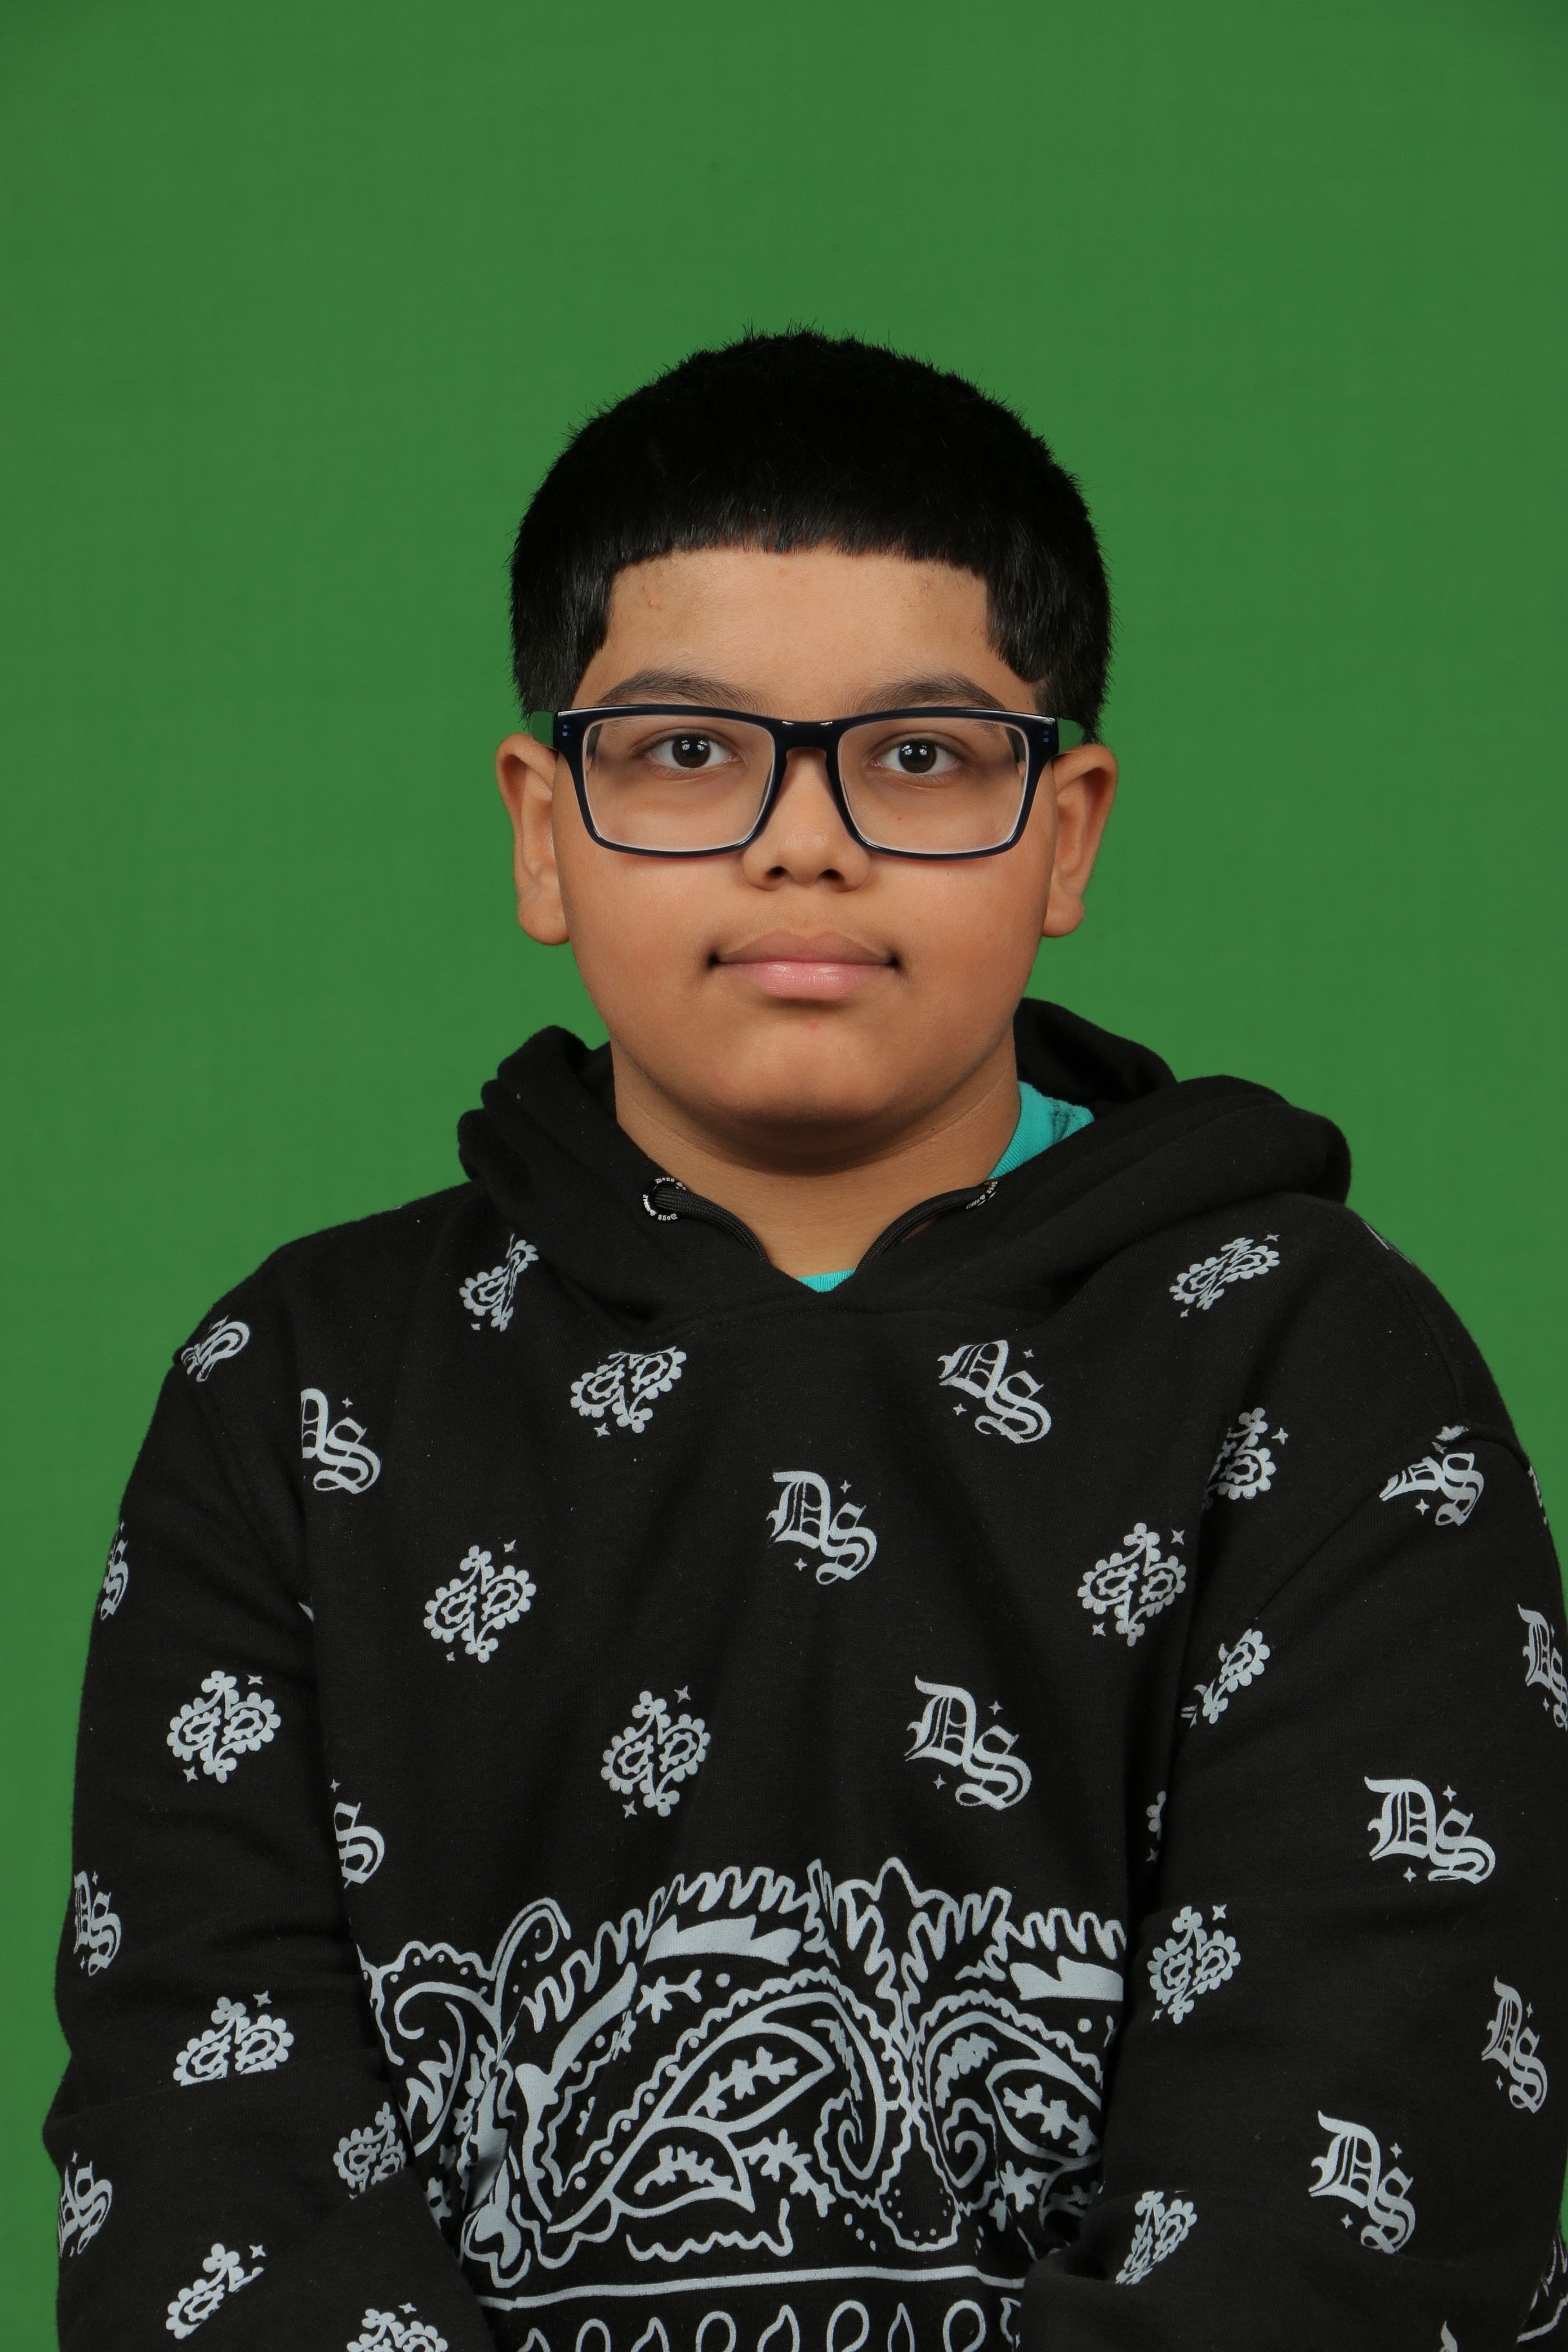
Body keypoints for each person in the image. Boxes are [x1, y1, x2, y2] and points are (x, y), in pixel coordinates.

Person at [48, 331, 1568, 2352]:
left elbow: (1373, 2147)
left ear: (1067, 830)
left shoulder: (1321, 1371)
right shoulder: (297, 1391)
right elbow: (202, 2160)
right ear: (541, 824)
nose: (803, 840)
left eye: (920, 757)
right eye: (688, 751)